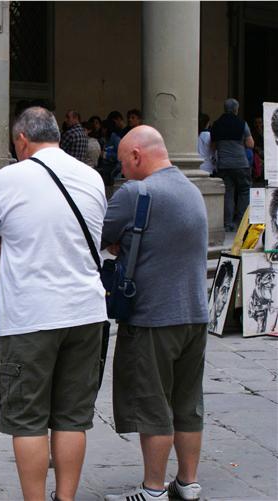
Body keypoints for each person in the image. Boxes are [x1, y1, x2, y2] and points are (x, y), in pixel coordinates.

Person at [0, 106, 107, 501]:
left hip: (30, 316)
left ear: (21, 140)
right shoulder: (92, 177)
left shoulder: (8, 178)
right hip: (86, 313)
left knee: (28, 420)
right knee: (72, 418)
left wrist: (12, 243)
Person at [102, 126, 208, 501]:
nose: (121, 171)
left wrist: (123, 244)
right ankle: (188, 482)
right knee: (188, 403)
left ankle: (152, 489)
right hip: (196, 314)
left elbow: (102, 235)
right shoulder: (192, 190)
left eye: (121, 163)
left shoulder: (135, 193)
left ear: (136, 155)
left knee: (153, 405)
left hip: (152, 317)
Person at [211, 98, 254, 231]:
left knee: (228, 193)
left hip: (224, 165)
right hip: (241, 164)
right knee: (244, 191)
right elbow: (250, 144)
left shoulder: (216, 124)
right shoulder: (242, 124)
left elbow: (212, 147)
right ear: (236, 109)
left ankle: (228, 223)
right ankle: (241, 222)